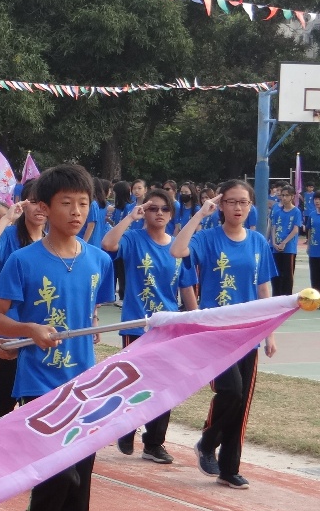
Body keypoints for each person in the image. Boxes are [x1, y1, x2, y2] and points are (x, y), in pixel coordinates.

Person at [0, 164, 115, 511]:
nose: (77, 211)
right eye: (67, 203)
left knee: (80, 486)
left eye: (83, 203)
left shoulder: (99, 261)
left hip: (85, 386)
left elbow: (90, 314)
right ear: (43, 207)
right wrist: (27, 330)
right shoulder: (22, 261)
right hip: (39, 383)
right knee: (60, 473)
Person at [171, 179, 277, 489]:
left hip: (248, 333)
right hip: (215, 332)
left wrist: (269, 333)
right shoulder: (207, 238)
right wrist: (200, 214)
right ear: (221, 205)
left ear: (251, 206)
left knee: (242, 402)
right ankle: (207, 442)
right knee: (231, 390)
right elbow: (177, 249)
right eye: (231, 201)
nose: (238, 207)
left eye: (244, 202)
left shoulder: (257, 242)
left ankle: (229, 469)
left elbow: (264, 288)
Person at [102, 188, 198, 463]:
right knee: (135, 382)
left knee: (165, 385)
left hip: (168, 325)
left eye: (164, 209)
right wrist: (130, 218)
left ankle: (154, 443)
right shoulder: (133, 239)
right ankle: (126, 426)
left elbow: (186, 286)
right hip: (137, 323)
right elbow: (108, 245)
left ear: (172, 213)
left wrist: (196, 320)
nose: (158, 213)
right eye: (152, 208)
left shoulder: (178, 246)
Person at [0, 182, 45, 426]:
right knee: (1, 404)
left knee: (37, 408)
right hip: (9, 333)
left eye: (44, 202)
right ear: (22, 203)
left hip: (40, 333)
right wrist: (6, 219)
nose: (39, 208)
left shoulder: (52, 241)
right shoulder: (10, 236)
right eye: (33, 202)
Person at [269, 184, 302, 296]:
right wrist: (274, 242)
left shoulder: (296, 211)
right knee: (276, 274)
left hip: (288, 248)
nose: (284, 198)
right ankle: (276, 297)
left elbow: (295, 229)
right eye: (282, 195)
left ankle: (286, 297)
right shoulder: (277, 211)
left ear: (292, 196)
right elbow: (273, 227)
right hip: (276, 247)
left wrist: (284, 242)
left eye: (287, 195)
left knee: (287, 275)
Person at [80, 178, 108, 248]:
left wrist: (84, 243)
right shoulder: (98, 204)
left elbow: (91, 225)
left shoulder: (92, 204)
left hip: (89, 242)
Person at [309, 193, 320, 290]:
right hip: (314, 252)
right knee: (314, 279)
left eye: (319, 199)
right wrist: (309, 246)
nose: (317, 201)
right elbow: (309, 230)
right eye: (315, 199)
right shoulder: (312, 214)